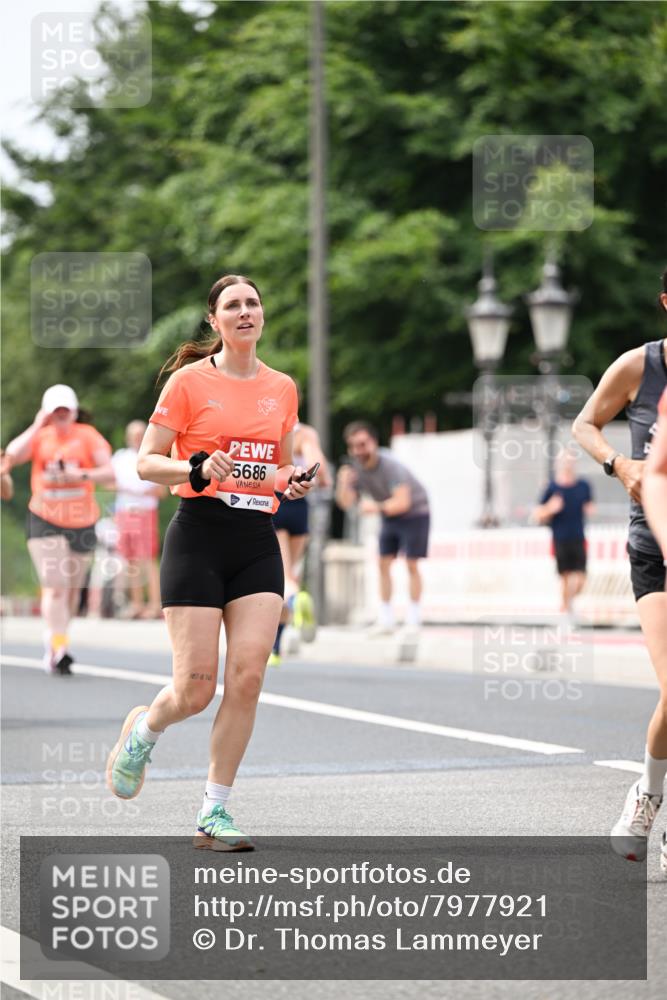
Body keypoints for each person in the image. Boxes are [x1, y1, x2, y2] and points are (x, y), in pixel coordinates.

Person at [105, 275, 314, 852]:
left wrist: (291, 483)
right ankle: (144, 732)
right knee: (194, 690)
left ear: (261, 316)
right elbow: (147, 463)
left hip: (255, 542)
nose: (245, 312)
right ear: (214, 321)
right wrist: (195, 469)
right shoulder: (189, 383)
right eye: (232, 306)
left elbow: (277, 467)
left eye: (252, 303)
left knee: (247, 676)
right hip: (197, 539)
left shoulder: (282, 387)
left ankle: (213, 814)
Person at [572, 267, 667, 868]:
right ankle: (649, 795)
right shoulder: (640, 365)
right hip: (654, 548)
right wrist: (620, 467)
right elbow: (584, 423)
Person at [3, 385, 114, 674]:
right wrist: (37, 424)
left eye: (66, 410)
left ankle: (56, 637)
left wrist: (81, 474)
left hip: (82, 519)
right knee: (55, 585)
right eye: (56, 411)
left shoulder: (87, 436)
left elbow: (110, 473)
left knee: (72, 592)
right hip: (44, 518)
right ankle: (60, 646)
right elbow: (10, 457)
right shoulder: (40, 436)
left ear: (74, 411)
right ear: (48, 413)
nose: (61, 416)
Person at [336, 420, 430, 633]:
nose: (359, 451)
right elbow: (345, 503)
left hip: (415, 512)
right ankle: (386, 618)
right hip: (389, 513)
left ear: (373, 442)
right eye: (354, 446)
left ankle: (413, 618)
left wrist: (375, 507)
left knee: (412, 563)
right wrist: (344, 483)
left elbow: (403, 502)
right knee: (383, 563)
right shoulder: (356, 469)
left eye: (363, 444)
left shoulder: (390, 466)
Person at [269, 411, 332, 666]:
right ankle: (275, 649)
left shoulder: (267, 428)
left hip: (275, 499)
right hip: (300, 505)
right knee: (287, 575)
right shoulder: (305, 433)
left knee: (282, 579)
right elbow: (321, 471)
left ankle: (296, 599)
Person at [111, 420, 166, 618]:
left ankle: (154, 604)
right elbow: (110, 483)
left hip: (144, 512)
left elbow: (161, 491)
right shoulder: (120, 458)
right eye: (134, 435)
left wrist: (139, 491)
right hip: (124, 512)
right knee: (130, 560)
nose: (137, 438)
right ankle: (137, 604)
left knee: (147, 559)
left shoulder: (153, 457)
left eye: (140, 434)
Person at [533, 449, 595, 618]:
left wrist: (590, 510)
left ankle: (567, 603)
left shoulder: (584, 485)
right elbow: (537, 514)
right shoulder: (551, 487)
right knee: (566, 576)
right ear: (558, 464)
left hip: (578, 535)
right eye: (564, 461)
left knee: (581, 577)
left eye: (570, 461)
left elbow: (590, 505)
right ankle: (567, 609)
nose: (568, 464)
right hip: (560, 537)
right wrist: (550, 508)